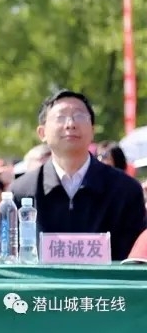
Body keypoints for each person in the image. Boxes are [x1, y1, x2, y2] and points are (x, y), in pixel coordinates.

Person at [9, 90, 146, 260]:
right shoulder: (22, 191)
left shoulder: (126, 190)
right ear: (42, 133)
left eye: (79, 116)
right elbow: (6, 259)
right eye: (60, 117)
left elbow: (136, 262)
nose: (70, 124)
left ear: (93, 130)